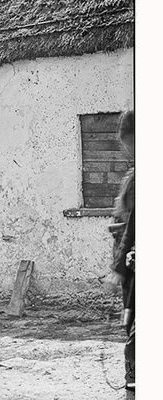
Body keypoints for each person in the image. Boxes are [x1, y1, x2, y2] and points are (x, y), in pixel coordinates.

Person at [107, 110, 135, 398]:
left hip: (133, 267)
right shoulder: (132, 176)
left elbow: (133, 226)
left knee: (134, 329)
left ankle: (134, 388)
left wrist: (118, 267)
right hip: (129, 264)